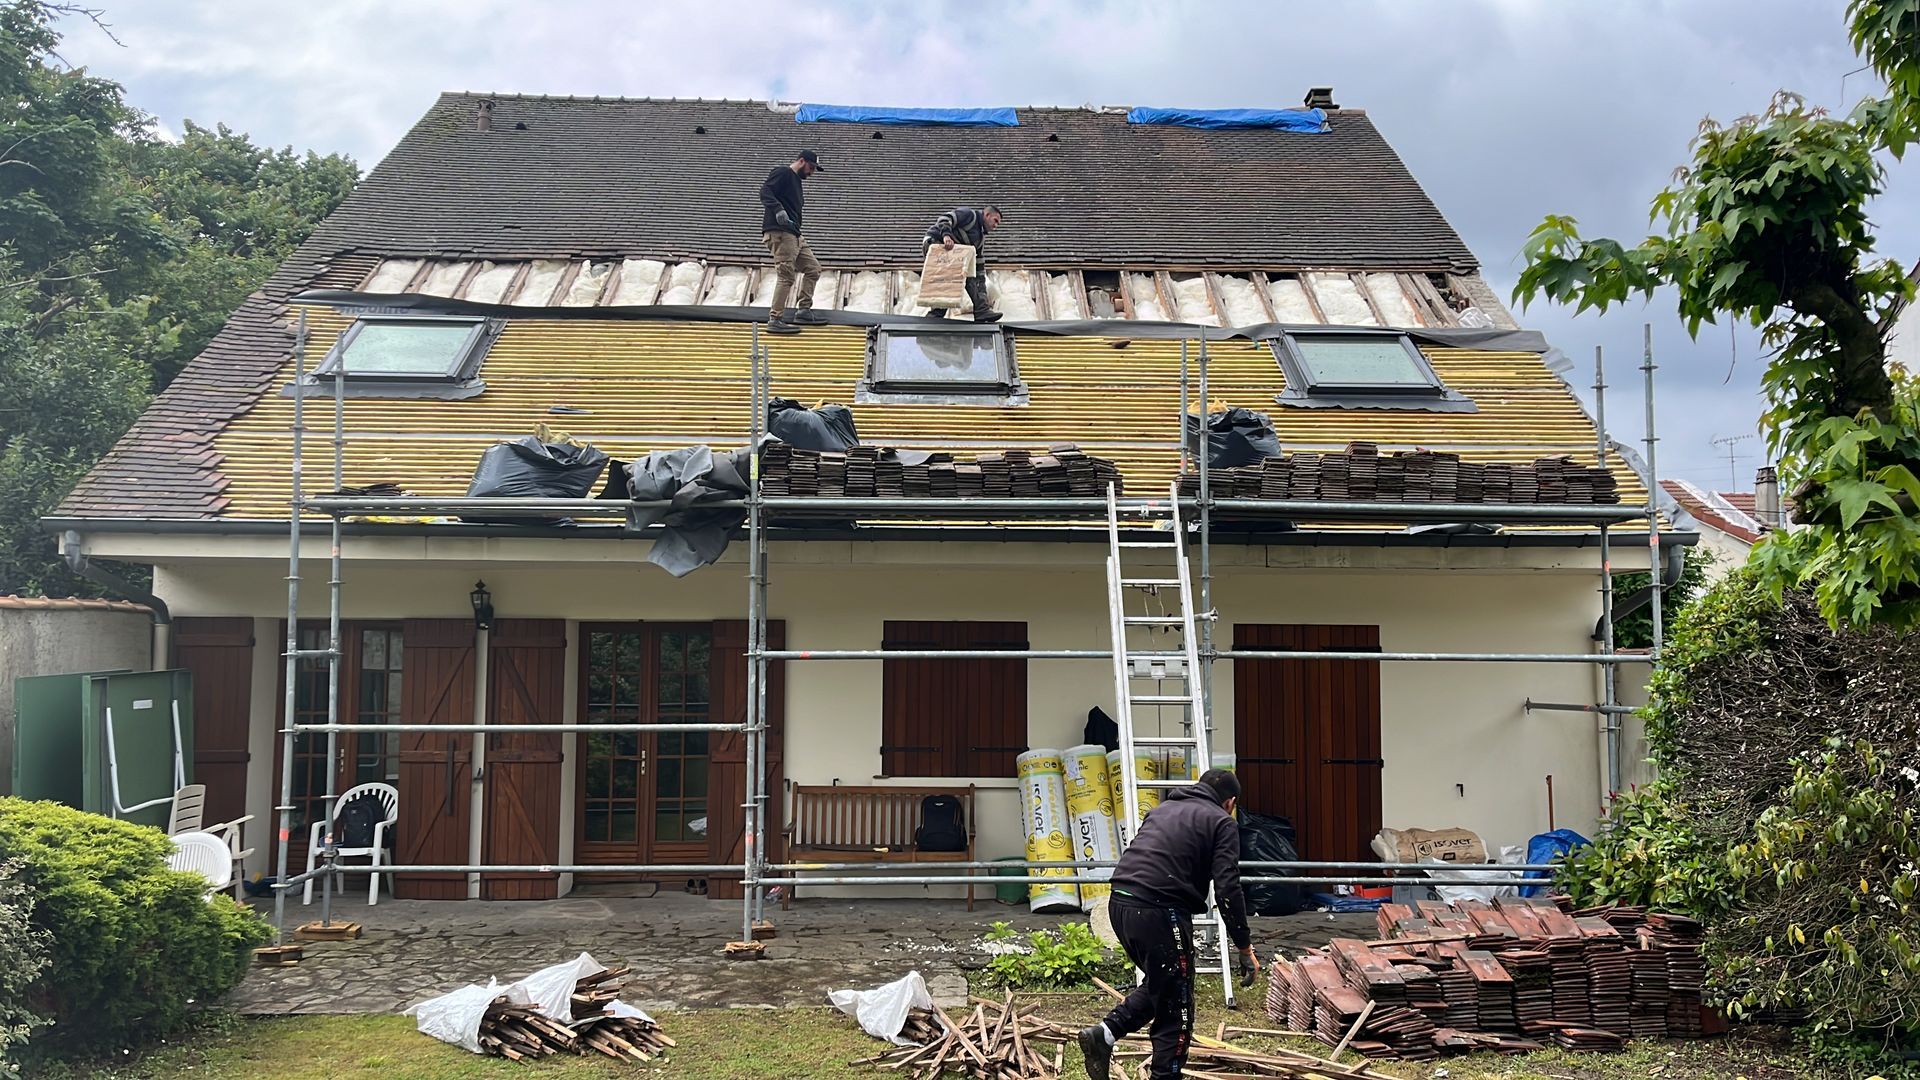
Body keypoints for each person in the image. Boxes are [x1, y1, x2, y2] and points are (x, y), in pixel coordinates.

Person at [1079, 769, 1257, 1080]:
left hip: (1120, 902)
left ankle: (1104, 1035)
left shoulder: (1161, 811)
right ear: (1230, 802)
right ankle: (1166, 1076)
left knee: (1167, 983)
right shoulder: (1221, 822)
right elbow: (1228, 889)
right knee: (1177, 1004)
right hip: (1159, 909)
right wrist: (1244, 946)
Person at [759, 150, 826, 335]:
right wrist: (778, 210)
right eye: (811, 167)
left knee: (813, 269)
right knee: (786, 275)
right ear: (801, 161)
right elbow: (765, 191)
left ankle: (803, 310)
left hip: (794, 234)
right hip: (780, 233)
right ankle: (775, 319)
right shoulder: (783, 172)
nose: (811, 172)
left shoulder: (796, 182)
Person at [921, 205, 1003, 322]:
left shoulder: (979, 241)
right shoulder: (969, 215)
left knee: (967, 275)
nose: (996, 226)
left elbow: (978, 272)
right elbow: (944, 219)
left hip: (953, 254)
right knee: (952, 280)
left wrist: (982, 295)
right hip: (935, 243)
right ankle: (935, 314)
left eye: (998, 224)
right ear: (987, 215)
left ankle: (981, 310)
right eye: (995, 221)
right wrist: (946, 235)